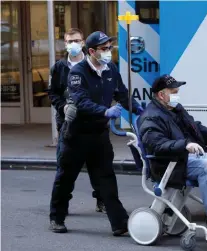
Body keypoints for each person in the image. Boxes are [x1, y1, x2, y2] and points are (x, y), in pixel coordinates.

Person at [48, 31, 143, 235]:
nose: (108, 51)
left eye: (110, 47)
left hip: (99, 134)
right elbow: (81, 101)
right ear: (91, 51)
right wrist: (105, 110)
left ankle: (119, 223)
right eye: (104, 48)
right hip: (76, 135)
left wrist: (141, 111)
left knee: (106, 178)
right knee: (65, 178)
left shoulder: (111, 69)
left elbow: (122, 94)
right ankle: (56, 217)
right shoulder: (78, 73)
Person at [138, 74, 207, 235]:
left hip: (184, 158)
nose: (177, 95)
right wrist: (185, 145)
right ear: (161, 95)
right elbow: (157, 145)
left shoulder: (176, 109)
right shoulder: (151, 116)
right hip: (169, 163)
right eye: (174, 91)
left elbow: (196, 128)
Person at [47, 28, 105, 215]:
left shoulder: (93, 65)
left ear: (83, 43)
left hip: (92, 123)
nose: (73, 44)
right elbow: (53, 92)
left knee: (98, 167)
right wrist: (63, 107)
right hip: (68, 124)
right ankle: (60, 209)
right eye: (69, 41)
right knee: (65, 169)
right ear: (65, 44)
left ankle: (101, 200)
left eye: (77, 40)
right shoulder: (59, 67)